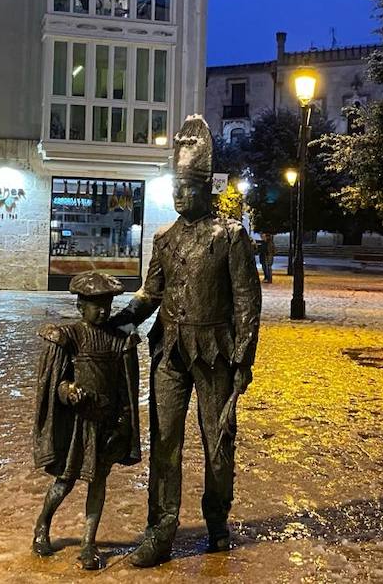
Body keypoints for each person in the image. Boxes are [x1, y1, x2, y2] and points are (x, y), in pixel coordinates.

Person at [109, 116, 262, 566]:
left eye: (187, 187)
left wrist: (243, 358)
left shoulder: (230, 236)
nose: (178, 195)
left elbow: (246, 302)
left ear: (206, 189)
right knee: (165, 441)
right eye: (175, 187)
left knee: (218, 442)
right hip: (170, 350)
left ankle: (217, 520)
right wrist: (119, 321)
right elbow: (150, 293)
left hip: (216, 352)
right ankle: (160, 529)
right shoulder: (165, 239)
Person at [32, 271, 141, 570]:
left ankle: (88, 543)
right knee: (64, 482)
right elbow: (56, 382)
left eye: (106, 304)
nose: (102, 310)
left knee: (98, 483)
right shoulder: (69, 337)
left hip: (105, 425)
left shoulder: (121, 342)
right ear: (81, 307)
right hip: (78, 425)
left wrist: (123, 424)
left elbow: (126, 390)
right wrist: (68, 391)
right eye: (95, 304)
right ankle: (42, 525)